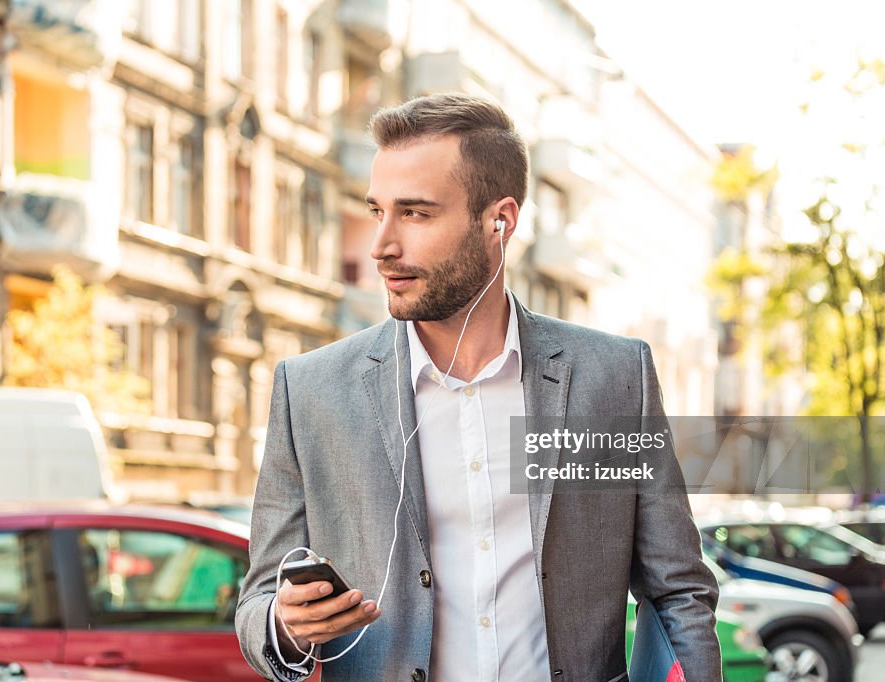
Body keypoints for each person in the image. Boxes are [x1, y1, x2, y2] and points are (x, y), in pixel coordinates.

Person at [235, 92, 722, 681]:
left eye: (415, 213)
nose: (382, 246)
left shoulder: (611, 379)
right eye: (377, 211)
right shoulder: (311, 391)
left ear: (501, 219)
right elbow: (258, 604)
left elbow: (677, 591)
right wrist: (285, 626)